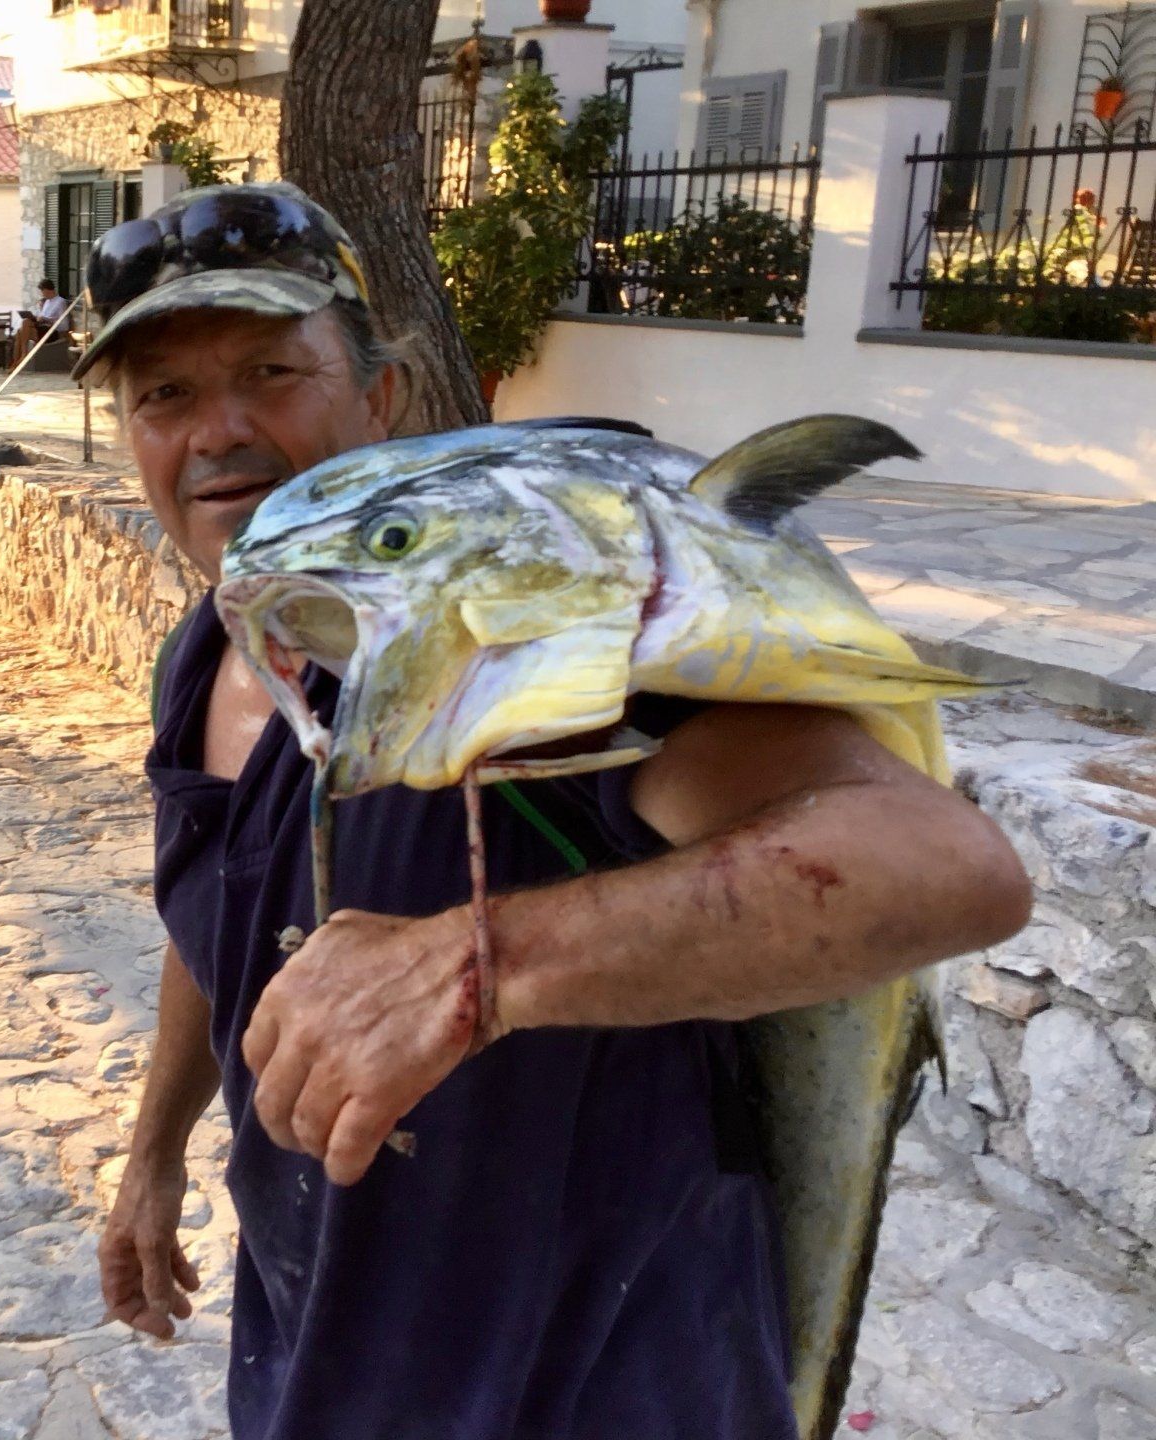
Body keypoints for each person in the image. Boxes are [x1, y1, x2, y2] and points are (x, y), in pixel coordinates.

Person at [82, 182, 1032, 1440]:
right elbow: (221, 909)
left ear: (382, 395)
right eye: (166, 395)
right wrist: (154, 1153)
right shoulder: (206, 652)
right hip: (317, 1353)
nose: (221, 431)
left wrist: (476, 966)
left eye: (271, 367)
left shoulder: (546, 652)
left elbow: (945, 866)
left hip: (598, 1384)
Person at [11, 277, 70, 364]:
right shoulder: (46, 302)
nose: (41, 293)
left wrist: (46, 319)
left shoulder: (61, 302)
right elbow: (42, 316)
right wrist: (37, 317)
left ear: (47, 290)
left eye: (42, 291)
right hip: (41, 328)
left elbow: (65, 325)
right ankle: (15, 361)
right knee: (20, 330)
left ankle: (23, 354)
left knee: (25, 324)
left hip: (52, 331)